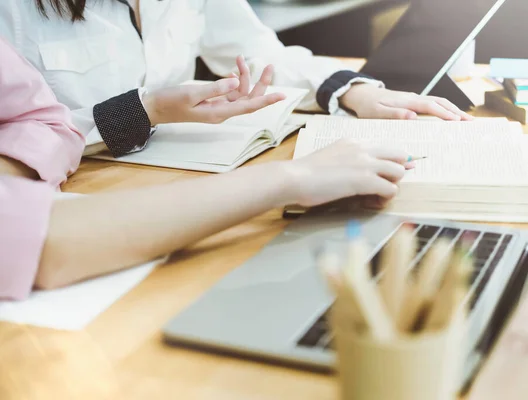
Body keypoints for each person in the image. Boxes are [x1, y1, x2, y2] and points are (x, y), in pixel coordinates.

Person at [0, 37, 414, 300]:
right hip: (102, 185)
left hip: (164, 179)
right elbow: (37, 240)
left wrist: (350, 88)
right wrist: (143, 109)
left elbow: (42, 118)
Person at [0, 0, 472, 158]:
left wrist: (350, 90)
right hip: (68, 203)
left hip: (175, 183)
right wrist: (143, 111)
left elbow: (257, 53)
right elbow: (15, 137)